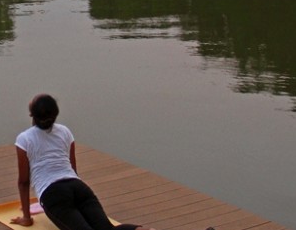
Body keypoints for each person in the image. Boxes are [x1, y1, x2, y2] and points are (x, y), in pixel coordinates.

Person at [11, 94, 213, 230]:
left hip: (53, 194)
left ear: (32, 115)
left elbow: (23, 181)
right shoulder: (65, 131)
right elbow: (73, 168)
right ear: (55, 115)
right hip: (77, 187)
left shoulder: (25, 139)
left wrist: (27, 218)